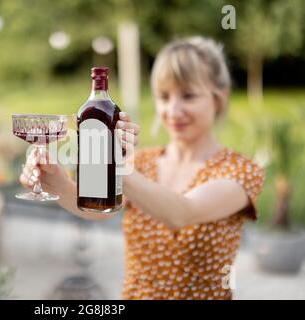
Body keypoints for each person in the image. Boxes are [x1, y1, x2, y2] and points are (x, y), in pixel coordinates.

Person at [20, 36, 265, 299]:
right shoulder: (144, 162)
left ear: (219, 98)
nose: (173, 110)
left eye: (188, 96)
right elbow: (99, 210)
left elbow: (182, 213)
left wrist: (112, 162)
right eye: (163, 96)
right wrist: (56, 182)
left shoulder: (241, 170)